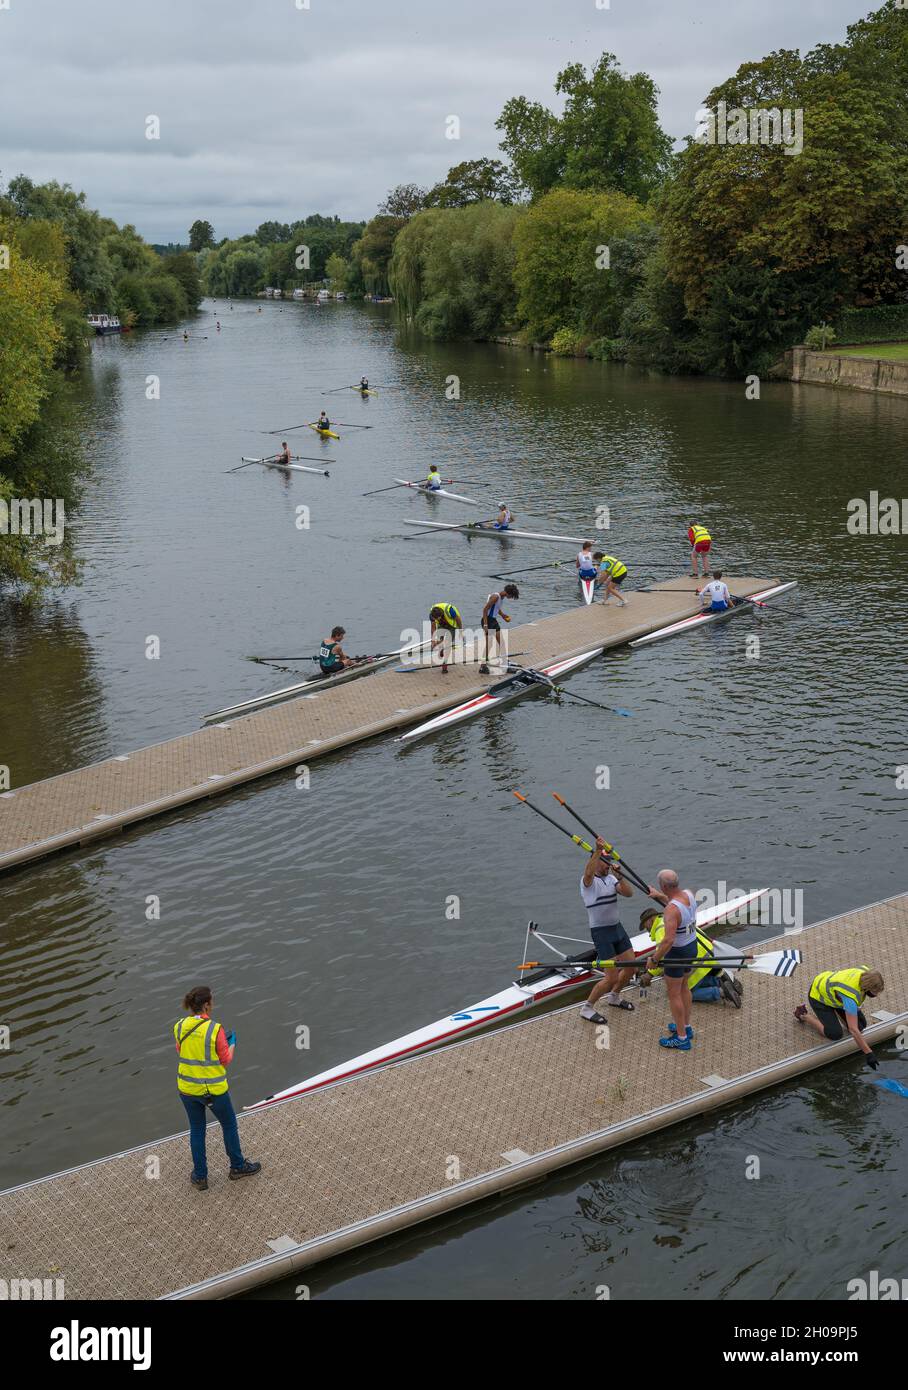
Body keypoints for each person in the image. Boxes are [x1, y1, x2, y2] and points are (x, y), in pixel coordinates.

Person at [174, 985, 261, 1192]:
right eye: (211, 1002)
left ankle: (200, 1177)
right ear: (206, 1005)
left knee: (197, 1130)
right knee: (229, 1125)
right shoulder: (215, 1029)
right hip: (213, 1090)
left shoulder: (179, 1026)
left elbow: (182, 1051)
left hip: (187, 1089)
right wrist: (232, 1043)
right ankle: (238, 1167)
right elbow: (225, 1060)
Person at [578, 838, 636, 1023]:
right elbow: (588, 872)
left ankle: (614, 997)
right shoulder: (587, 883)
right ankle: (586, 1008)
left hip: (617, 929)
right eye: (606, 862)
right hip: (601, 933)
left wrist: (620, 877)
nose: (609, 865)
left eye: (610, 861)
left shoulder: (611, 879)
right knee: (611, 977)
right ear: (596, 862)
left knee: (631, 967)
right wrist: (597, 850)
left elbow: (629, 894)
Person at [638, 907, 742, 1007]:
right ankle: (720, 981)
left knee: (681, 994)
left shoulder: (660, 929)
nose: (646, 929)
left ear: (650, 920)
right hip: (709, 954)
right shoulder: (672, 919)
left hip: (697, 962)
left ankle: (721, 992)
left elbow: (664, 957)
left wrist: (650, 974)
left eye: (645, 926)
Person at [646, 869, 700, 1050]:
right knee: (684, 987)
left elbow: (668, 940)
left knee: (674, 994)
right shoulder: (689, 895)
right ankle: (685, 1026)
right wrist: (659, 896)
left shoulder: (671, 910)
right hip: (692, 947)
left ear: (663, 886)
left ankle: (682, 1039)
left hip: (677, 953)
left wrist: (654, 960)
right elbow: (675, 903)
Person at [795, 967, 884, 1068]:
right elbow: (853, 1030)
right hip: (818, 996)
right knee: (835, 1033)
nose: (876, 995)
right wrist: (869, 1053)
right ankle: (804, 1015)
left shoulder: (865, 972)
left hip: (836, 996)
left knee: (861, 1025)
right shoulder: (850, 997)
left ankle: (835, 1012)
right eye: (875, 992)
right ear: (867, 987)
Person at [480, 584, 519, 673]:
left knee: (502, 642)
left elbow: (496, 608)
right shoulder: (495, 597)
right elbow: (485, 609)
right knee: (489, 645)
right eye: (511, 596)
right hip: (488, 621)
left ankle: (505, 663)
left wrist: (502, 615)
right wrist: (485, 625)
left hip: (493, 621)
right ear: (507, 593)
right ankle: (482, 666)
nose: (511, 598)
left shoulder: (501, 598)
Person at [429, 601, 463, 675]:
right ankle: (441, 649)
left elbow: (458, 619)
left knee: (448, 644)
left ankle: (444, 665)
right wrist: (433, 640)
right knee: (440, 641)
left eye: (438, 618)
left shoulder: (450, 610)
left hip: (451, 626)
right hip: (441, 626)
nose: (437, 620)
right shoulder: (432, 615)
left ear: (441, 615)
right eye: (436, 619)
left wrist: (460, 631)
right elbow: (433, 627)